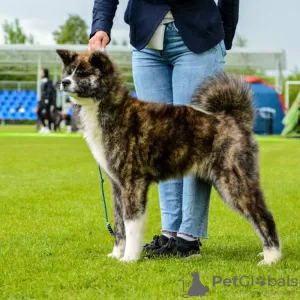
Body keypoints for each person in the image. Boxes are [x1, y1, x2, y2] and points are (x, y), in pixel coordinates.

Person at [89, 0, 239, 257]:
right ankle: (170, 233)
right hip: (146, 41)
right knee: (156, 140)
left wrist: (225, 34)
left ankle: (188, 236)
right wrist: (100, 26)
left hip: (199, 37)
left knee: (195, 140)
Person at [37, 68, 56, 134]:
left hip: (46, 100)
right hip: (42, 100)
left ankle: (48, 128)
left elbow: (49, 91)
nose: (40, 73)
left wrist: (47, 99)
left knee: (47, 114)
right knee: (39, 112)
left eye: (42, 72)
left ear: (45, 73)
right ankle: (45, 127)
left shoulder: (49, 81)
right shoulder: (42, 81)